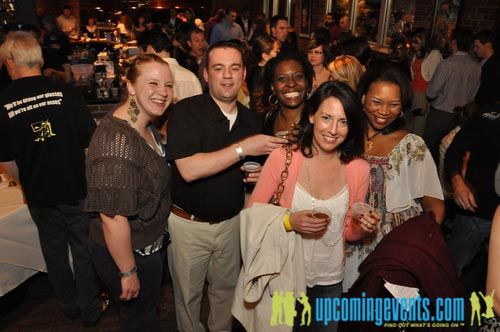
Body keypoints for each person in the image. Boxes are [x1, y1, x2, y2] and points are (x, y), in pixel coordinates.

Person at [165, 41, 287, 332]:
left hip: (233, 224)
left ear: (244, 73)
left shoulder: (252, 120)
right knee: (188, 299)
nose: (227, 76)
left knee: (226, 296)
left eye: (234, 68)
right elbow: (189, 169)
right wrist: (243, 149)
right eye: (218, 68)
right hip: (189, 227)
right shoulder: (186, 111)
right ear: (206, 74)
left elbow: (250, 174)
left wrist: (257, 177)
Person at [247, 81, 377, 332]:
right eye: (326, 117)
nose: (333, 129)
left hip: (329, 282)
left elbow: (348, 232)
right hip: (283, 276)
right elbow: (253, 216)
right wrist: (289, 222)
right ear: (311, 116)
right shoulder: (284, 158)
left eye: (344, 121)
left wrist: (364, 226)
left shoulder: (359, 169)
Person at [0, 31, 104, 327]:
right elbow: (91, 143)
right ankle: (91, 309)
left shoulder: (3, 103)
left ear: (10, 62)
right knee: (83, 250)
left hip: (39, 193)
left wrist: (26, 181)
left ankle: (68, 305)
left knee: (54, 251)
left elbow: (7, 163)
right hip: (75, 187)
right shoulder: (68, 93)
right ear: (41, 58)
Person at [85, 54, 174, 332]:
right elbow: (111, 217)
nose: (163, 92)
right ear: (131, 85)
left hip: (146, 246)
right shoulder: (118, 139)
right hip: (130, 253)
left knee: (145, 314)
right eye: (153, 83)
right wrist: (128, 271)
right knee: (140, 321)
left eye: (168, 85)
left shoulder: (143, 123)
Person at [343, 63, 445, 291]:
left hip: (391, 245)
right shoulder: (344, 135)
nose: (383, 111)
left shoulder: (412, 145)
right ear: (362, 98)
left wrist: (416, 246)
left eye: (393, 105)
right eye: (376, 102)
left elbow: (434, 204)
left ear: (402, 109)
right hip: (347, 233)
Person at [444, 103, 500, 285]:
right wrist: (458, 182)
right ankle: (442, 306)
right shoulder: (489, 117)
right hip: (477, 211)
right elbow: (454, 150)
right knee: (451, 268)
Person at [424, 27, 481, 164]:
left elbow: (431, 92)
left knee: (427, 151)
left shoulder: (447, 64)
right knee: (448, 153)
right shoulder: (477, 66)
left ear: (454, 42)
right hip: (461, 117)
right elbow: (474, 94)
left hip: (440, 114)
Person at [138, 30, 202, 103]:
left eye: (141, 55)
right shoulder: (191, 77)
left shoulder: (146, 76)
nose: (141, 60)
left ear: (150, 50)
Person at [262, 51, 314, 136]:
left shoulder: (317, 122)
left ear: (307, 82)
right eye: (282, 79)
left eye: (298, 77)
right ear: (272, 87)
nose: (291, 84)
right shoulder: (266, 119)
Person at [408, 28, 443, 136]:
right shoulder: (417, 53)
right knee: (409, 125)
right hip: (412, 92)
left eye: (416, 42)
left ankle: (416, 151)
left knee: (418, 127)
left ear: (424, 41)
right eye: (412, 42)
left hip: (423, 94)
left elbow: (434, 80)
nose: (413, 45)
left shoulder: (434, 54)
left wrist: (426, 102)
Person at [246, 34, 280, 113]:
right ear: (265, 56)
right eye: (276, 51)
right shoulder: (259, 74)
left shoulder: (253, 69)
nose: (279, 52)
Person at [473, 29, 500, 106]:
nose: (474, 49)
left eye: (477, 46)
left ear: (488, 45)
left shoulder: (495, 65)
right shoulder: (482, 61)